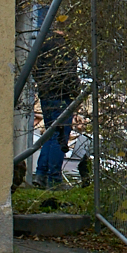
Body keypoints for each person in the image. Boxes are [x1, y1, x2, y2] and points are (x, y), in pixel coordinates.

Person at [29, 32, 82, 190]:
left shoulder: (43, 44)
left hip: (46, 95)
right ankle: (54, 180)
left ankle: (41, 174)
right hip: (62, 96)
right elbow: (70, 75)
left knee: (50, 135)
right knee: (59, 137)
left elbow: (34, 69)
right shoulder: (65, 47)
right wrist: (75, 93)